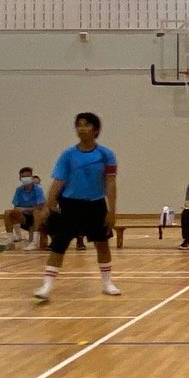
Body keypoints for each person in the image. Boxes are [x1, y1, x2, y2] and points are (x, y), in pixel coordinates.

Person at [35, 112, 120, 304]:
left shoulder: (106, 155)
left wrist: (112, 210)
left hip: (96, 205)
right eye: (79, 125)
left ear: (96, 130)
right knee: (59, 244)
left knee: (102, 244)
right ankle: (46, 285)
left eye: (87, 125)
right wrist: (49, 204)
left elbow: (111, 183)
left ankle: (107, 283)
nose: (82, 128)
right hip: (70, 204)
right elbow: (58, 180)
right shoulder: (67, 155)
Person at [7, 168, 45, 249]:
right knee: (8, 213)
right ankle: (10, 241)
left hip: (37, 217)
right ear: (20, 178)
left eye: (28, 176)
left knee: (36, 212)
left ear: (31, 177)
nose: (26, 178)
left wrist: (24, 209)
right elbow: (16, 206)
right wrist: (20, 210)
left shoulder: (38, 189)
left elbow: (40, 206)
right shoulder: (19, 190)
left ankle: (34, 242)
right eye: (23, 177)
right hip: (25, 217)